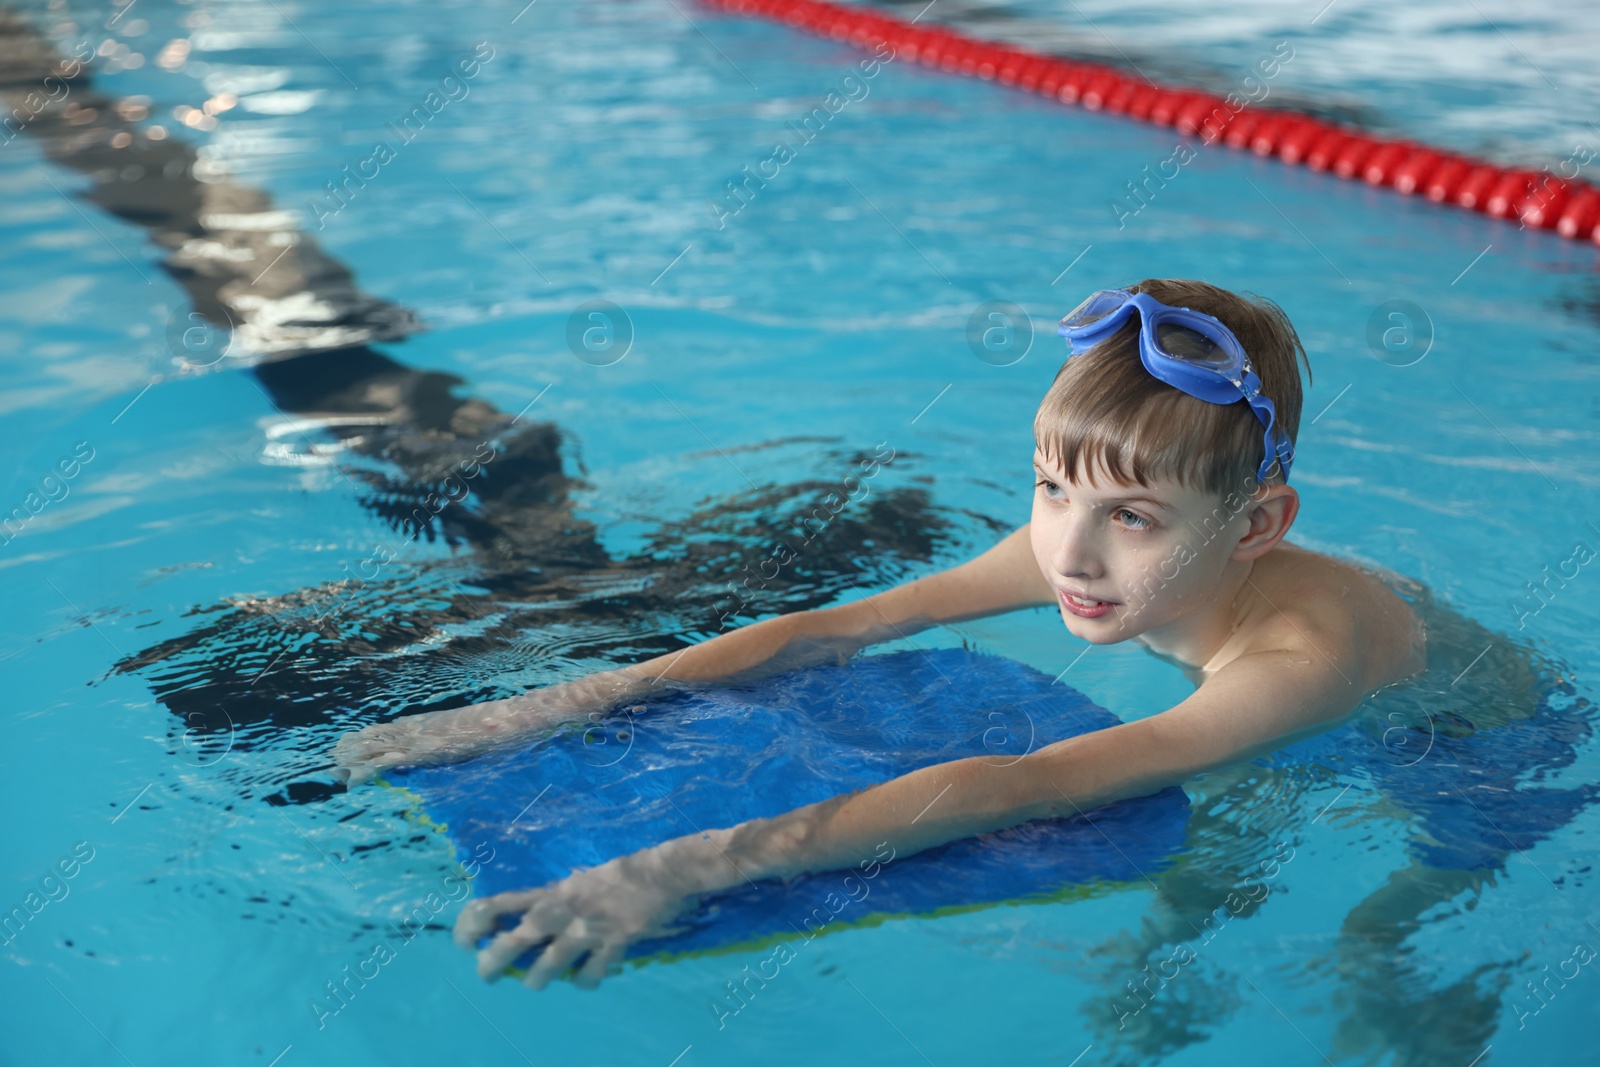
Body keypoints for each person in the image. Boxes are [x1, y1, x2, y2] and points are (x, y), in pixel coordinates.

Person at [332, 277, 1427, 991]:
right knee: (1201, 856)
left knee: (1378, 937)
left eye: (1130, 515)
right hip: (1235, 690)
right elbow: (834, 627)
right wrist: (556, 703)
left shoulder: (1296, 662)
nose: (1069, 554)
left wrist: (683, 865)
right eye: (1051, 489)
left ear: (1257, 526)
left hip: (1458, 752)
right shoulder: (1085, 543)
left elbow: (1028, 781)